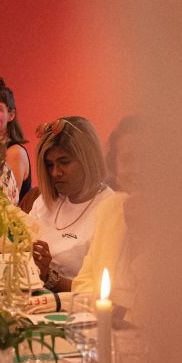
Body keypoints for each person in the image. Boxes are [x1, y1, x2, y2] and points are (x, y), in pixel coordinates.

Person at [29, 116, 114, 293]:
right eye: (49, 165)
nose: (55, 173)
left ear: (88, 159)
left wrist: (48, 277)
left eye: (64, 162)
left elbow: (101, 291)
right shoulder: (45, 203)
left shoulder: (110, 209)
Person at [72, 116, 145, 319]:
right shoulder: (110, 208)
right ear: (116, 166)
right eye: (127, 159)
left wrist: (141, 236)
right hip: (102, 331)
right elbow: (83, 280)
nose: (137, 169)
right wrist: (103, 316)